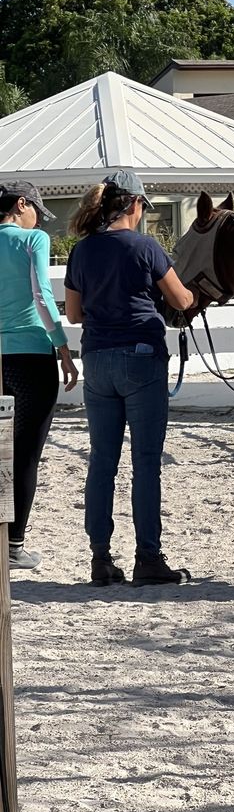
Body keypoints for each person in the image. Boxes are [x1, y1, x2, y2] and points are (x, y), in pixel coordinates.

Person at [64, 170, 196, 587]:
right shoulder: (145, 246)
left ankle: (100, 558)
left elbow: (74, 314)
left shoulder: (82, 251)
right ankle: (148, 557)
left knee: (102, 461)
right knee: (145, 463)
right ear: (135, 205)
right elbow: (181, 298)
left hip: (97, 359)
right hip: (140, 355)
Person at [0, 181, 78, 570]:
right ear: (21, 205)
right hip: (30, 356)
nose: (38, 219)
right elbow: (42, 296)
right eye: (36, 211)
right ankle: (13, 545)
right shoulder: (32, 240)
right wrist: (62, 347)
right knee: (25, 451)